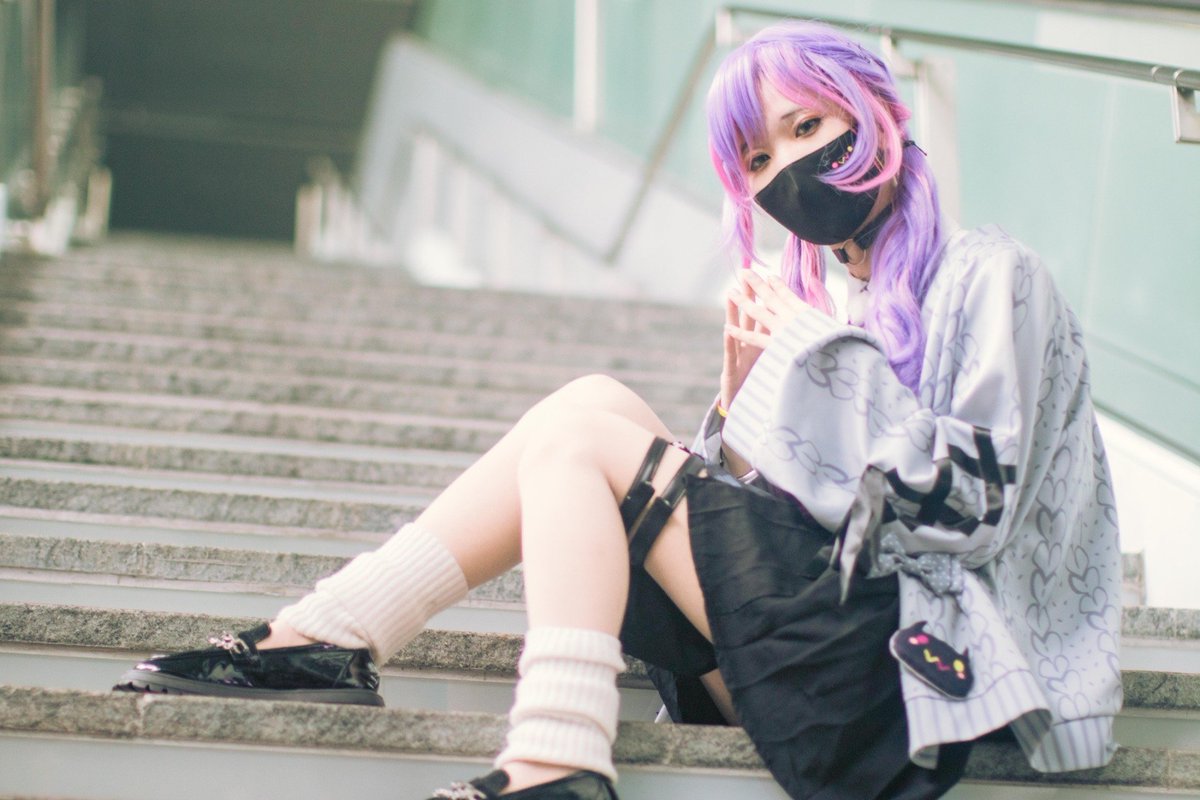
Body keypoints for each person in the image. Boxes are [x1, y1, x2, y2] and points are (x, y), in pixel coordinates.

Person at [112, 20, 1122, 800]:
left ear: (877, 115)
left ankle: (512, 730)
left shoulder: (994, 276)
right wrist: (743, 406)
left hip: (921, 691)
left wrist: (814, 363)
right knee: (591, 407)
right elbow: (794, 519)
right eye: (758, 161)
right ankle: (342, 642)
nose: (786, 170)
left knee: (588, 430)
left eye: (808, 128)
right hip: (813, 664)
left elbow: (974, 511)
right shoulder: (827, 295)